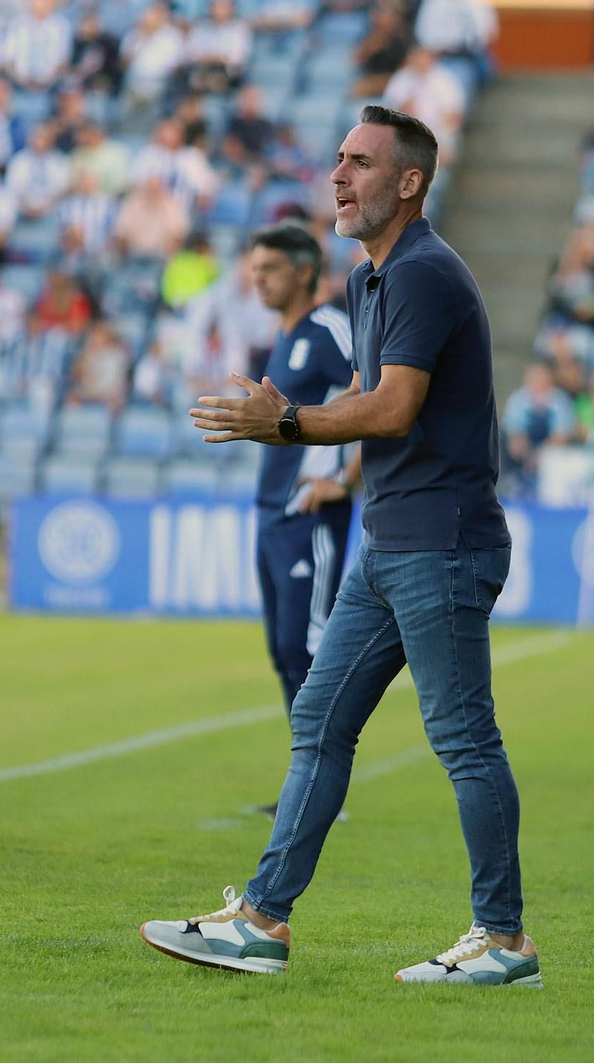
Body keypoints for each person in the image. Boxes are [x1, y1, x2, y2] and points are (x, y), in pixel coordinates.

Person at [143, 107, 540, 988]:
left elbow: (391, 408)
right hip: (388, 541)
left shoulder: (425, 271)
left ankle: (505, 940)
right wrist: (305, 430)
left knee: (463, 738)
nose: (338, 175)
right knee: (319, 721)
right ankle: (262, 921)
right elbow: (366, 393)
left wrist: (286, 422)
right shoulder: (368, 280)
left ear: (409, 182)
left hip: (440, 542)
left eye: (360, 162)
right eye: (338, 159)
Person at [243, 223, 358, 817]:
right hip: (273, 514)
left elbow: (383, 393)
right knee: (284, 652)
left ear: (305, 271)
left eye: (270, 269)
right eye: (254, 269)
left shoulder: (331, 327)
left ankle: (321, 792)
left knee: (307, 649)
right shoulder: (284, 337)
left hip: (310, 517)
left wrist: (345, 479)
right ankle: (306, 789)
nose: (257, 279)